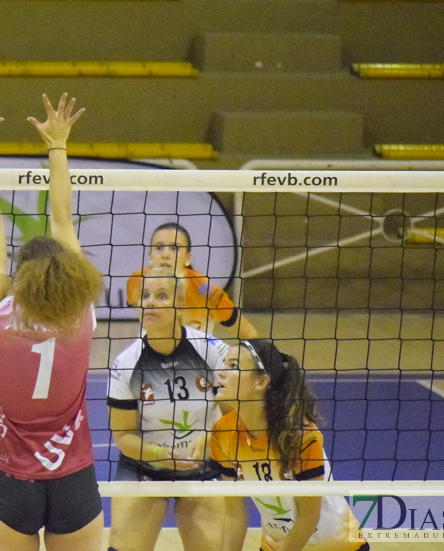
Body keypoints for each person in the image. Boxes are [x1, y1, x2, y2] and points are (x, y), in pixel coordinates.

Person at [0, 93, 105, 551]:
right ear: (68, 276)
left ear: (19, 278)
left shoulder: (1, 310)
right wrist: (58, 144)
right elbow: (62, 218)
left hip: (14, 481)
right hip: (74, 479)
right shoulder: (81, 315)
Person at [107, 265, 228, 551]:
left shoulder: (212, 350)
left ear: (181, 304)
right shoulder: (125, 364)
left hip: (204, 466)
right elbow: (125, 438)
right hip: (144, 466)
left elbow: (237, 416)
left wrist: (210, 439)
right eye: (145, 295)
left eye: (161, 295)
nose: (150, 301)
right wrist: (162, 456)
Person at [211, 339, 368, 551]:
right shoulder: (223, 433)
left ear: (261, 382)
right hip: (277, 545)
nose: (220, 372)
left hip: (337, 546)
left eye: (233, 366)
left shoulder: (298, 436)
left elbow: (309, 517)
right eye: (223, 364)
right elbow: (233, 514)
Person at [126, 222, 259, 340]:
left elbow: (248, 334)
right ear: (150, 256)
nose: (165, 255)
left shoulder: (206, 291)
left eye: (174, 248)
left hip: (197, 358)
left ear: (188, 258)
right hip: (152, 353)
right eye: (158, 248)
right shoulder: (136, 281)